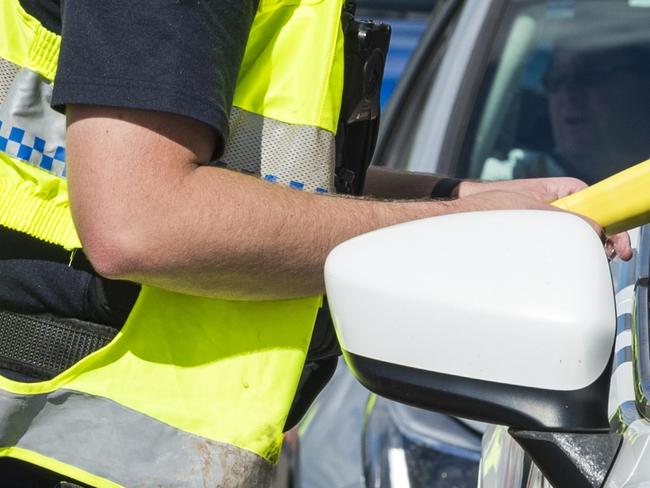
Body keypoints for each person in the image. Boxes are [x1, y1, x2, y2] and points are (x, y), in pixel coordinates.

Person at [0, 1, 630, 486]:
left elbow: (268, 177)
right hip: (56, 446)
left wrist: (464, 200)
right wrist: (453, 228)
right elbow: (141, 219)